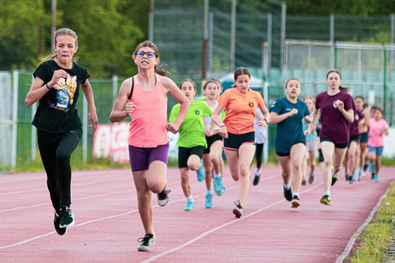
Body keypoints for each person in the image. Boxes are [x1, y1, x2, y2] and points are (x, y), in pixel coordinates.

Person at [109, 41, 189, 252]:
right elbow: (113, 115)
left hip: (158, 143)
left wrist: (177, 123)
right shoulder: (129, 84)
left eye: (149, 54)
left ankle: (163, 190)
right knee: (143, 194)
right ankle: (148, 234)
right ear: (134, 58)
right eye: (140, 53)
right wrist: (125, 112)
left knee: (154, 183)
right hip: (136, 145)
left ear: (156, 60)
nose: (145, 56)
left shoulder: (165, 83)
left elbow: (185, 102)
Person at [25, 28, 98, 235]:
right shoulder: (46, 69)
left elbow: (86, 85)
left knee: (63, 154)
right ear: (55, 47)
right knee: (52, 178)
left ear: (75, 48)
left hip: (70, 127)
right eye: (61, 45)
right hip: (47, 129)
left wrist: (92, 110)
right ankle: (58, 212)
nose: (65, 49)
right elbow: (29, 99)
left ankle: (66, 208)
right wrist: (51, 83)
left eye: (69, 46)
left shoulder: (80, 71)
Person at [212, 67, 270, 218]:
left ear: (249, 81)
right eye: (240, 82)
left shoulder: (256, 95)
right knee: (236, 175)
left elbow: (266, 112)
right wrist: (222, 126)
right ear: (235, 82)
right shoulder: (228, 94)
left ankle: (240, 204)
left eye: (246, 81)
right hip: (230, 135)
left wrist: (265, 120)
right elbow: (215, 114)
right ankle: (243, 178)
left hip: (248, 135)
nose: (244, 84)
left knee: (244, 169)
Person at [307, 69, 355, 205]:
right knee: (327, 161)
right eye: (331, 78)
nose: (333, 81)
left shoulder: (346, 97)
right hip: (326, 133)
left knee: (337, 166)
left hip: (342, 135)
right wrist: (311, 126)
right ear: (327, 81)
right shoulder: (321, 97)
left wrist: (342, 110)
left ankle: (334, 174)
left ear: (340, 81)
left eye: (336, 78)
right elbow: (315, 112)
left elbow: (351, 119)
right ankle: (327, 194)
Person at [169, 79, 212, 212]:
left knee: (192, 164)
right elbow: (173, 127)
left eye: (189, 88)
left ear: (194, 91)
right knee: (183, 177)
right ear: (180, 92)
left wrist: (215, 128)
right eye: (184, 88)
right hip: (183, 143)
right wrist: (173, 126)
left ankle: (198, 167)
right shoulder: (176, 108)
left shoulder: (200, 106)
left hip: (198, 141)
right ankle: (189, 200)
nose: (186, 91)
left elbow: (215, 115)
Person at [270, 79, 312, 208]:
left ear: (299, 90)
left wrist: (309, 123)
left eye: (297, 86)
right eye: (291, 86)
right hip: (282, 142)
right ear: (286, 89)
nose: (294, 88)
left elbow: (309, 119)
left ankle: (296, 195)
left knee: (297, 164)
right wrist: (288, 114)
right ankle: (286, 185)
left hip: (298, 139)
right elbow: (271, 119)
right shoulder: (280, 102)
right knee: (286, 172)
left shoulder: (302, 105)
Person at [201, 80, 226, 209]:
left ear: (219, 91)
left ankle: (218, 177)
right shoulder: (200, 104)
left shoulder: (221, 106)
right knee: (207, 170)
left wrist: (217, 130)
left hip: (216, 136)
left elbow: (225, 122)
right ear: (204, 90)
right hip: (203, 137)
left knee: (214, 157)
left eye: (214, 88)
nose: (212, 90)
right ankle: (209, 192)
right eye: (209, 88)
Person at [343, 96, 365, 183]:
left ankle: (351, 174)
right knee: (346, 156)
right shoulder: (343, 111)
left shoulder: (357, 112)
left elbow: (363, 117)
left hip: (355, 135)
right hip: (344, 135)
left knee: (352, 154)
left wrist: (362, 121)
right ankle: (346, 171)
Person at [367, 107, 389, 182]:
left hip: (380, 144)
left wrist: (383, 131)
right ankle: (371, 164)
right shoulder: (370, 121)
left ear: (381, 114)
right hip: (371, 143)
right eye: (375, 113)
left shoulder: (383, 123)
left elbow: (387, 133)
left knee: (378, 161)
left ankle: (376, 174)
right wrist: (368, 134)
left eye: (379, 113)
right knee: (372, 157)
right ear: (373, 114)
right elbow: (365, 129)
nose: (377, 115)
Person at [253, 92, 268, 186]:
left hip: (260, 134)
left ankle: (258, 171)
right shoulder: (249, 106)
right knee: (248, 155)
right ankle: (247, 173)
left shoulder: (263, 109)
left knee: (258, 155)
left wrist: (254, 112)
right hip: (250, 133)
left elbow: (262, 119)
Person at [301, 96, 317, 185]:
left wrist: (308, 120)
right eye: (306, 102)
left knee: (313, 163)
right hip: (303, 139)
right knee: (303, 157)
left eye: (310, 103)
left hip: (312, 140)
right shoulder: (300, 114)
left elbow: (313, 130)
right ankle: (303, 176)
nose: (307, 104)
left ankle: (312, 173)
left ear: (313, 105)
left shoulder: (314, 115)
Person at [355, 97, 370, 181]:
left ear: (363, 103)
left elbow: (368, 124)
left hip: (363, 134)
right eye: (356, 102)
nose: (357, 103)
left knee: (361, 154)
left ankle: (361, 170)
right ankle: (355, 171)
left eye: (359, 102)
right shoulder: (352, 111)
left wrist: (364, 120)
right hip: (354, 134)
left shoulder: (365, 112)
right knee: (355, 153)